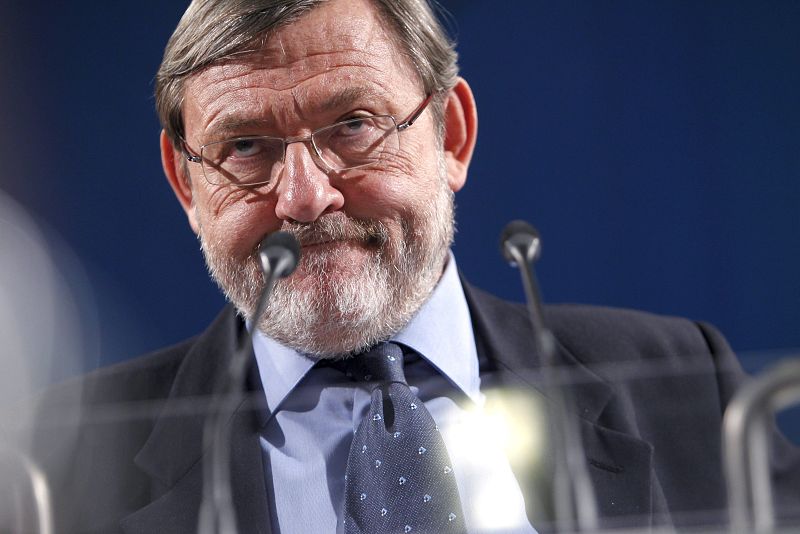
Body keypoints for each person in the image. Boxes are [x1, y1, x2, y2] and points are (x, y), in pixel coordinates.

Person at [20, 0, 799, 533]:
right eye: (246, 148)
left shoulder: (685, 382)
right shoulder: (63, 457)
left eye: (352, 125)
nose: (303, 196)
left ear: (451, 136)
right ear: (187, 183)